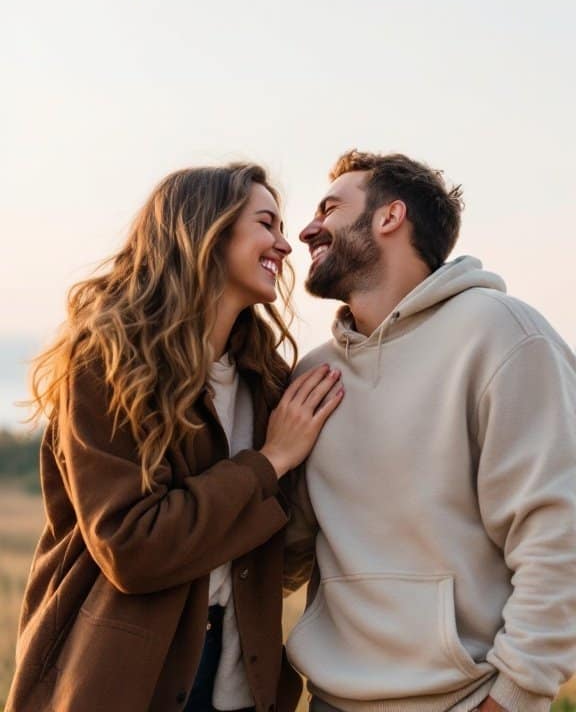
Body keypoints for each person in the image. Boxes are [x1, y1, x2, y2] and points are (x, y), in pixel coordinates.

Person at [6, 163, 344, 712]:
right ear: (206, 229)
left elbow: (284, 548)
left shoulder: (271, 382)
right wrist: (269, 461)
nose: (285, 244)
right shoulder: (107, 364)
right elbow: (132, 549)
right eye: (266, 223)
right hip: (120, 681)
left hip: (243, 684)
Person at [284, 150, 576, 712]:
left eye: (329, 208)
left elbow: (557, 539)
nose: (306, 228)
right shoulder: (312, 377)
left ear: (389, 217)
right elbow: (290, 552)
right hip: (330, 699)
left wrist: (514, 695)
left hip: (465, 700)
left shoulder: (503, 336)